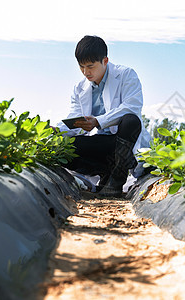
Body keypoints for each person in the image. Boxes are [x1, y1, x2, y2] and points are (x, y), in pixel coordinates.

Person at [56, 35, 151, 197]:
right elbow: (74, 118)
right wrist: (56, 131)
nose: (86, 72)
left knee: (130, 120)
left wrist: (98, 122)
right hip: (102, 145)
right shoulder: (80, 88)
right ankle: (106, 171)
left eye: (90, 66)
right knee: (66, 148)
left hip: (124, 142)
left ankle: (117, 178)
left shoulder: (126, 75)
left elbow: (132, 107)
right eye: (81, 67)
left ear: (105, 61)